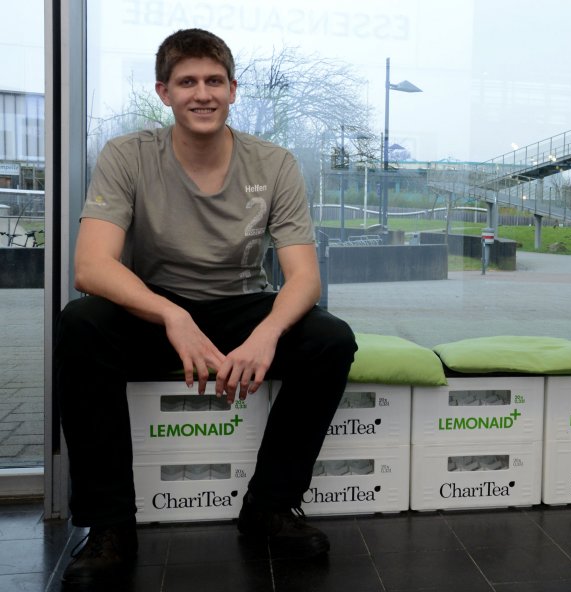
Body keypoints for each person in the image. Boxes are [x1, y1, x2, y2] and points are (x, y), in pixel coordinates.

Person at [55, 28, 357, 586]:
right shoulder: (128, 154)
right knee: (81, 323)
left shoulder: (273, 163)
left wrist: (266, 333)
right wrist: (173, 316)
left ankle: (270, 507)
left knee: (330, 339)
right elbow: (91, 268)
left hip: (242, 301)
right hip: (155, 306)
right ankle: (110, 525)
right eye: (187, 81)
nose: (202, 93)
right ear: (163, 92)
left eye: (214, 81)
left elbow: (303, 278)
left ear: (234, 90)